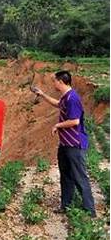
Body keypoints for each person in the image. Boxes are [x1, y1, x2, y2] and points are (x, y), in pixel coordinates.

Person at [32, 71, 96, 217]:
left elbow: (75, 121)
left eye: (54, 81)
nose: (53, 83)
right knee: (66, 175)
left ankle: (89, 210)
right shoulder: (65, 97)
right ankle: (66, 205)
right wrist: (42, 94)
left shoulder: (72, 98)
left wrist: (58, 125)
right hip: (66, 144)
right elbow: (58, 104)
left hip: (74, 144)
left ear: (61, 81)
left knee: (80, 176)